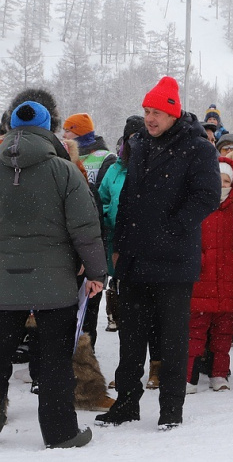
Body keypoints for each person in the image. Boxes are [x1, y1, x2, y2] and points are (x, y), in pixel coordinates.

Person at [96, 76, 221, 431]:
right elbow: (128, 200)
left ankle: (170, 408)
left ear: (172, 113)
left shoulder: (198, 148)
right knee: (130, 337)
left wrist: (171, 229)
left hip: (173, 260)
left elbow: (207, 197)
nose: (150, 118)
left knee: (172, 338)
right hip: (134, 257)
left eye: (156, 112)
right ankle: (126, 404)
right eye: (146, 111)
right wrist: (119, 246)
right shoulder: (138, 144)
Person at [0, 101, 106, 448]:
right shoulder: (63, 170)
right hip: (54, 282)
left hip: (3, 282)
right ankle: (60, 432)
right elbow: (85, 229)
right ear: (48, 128)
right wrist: (96, 272)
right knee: (55, 360)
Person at [187, 158, 233, 394]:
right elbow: (188, 237)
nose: (222, 185)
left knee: (224, 333)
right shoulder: (196, 206)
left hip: (229, 280)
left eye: (227, 181)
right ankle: (190, 376)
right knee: (194, 331)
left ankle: (219, 373)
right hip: (201, 280)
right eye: (218, 180)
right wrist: (198, 260)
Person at [98, 116, 145, 333]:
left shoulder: (152, 166)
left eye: (139, 137)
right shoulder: (115, 169)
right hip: (116, 238)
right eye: (131, 138)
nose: (135, 143)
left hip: (145, 242)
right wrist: (110, 215)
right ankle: (117, 317)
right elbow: (103, 199)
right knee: (119, 285)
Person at [63, 112, 117, 187]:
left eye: (67, 131)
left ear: (80, 132)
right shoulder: (63, 156)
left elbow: (105, 192)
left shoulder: (107, 158)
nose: (63, 135)